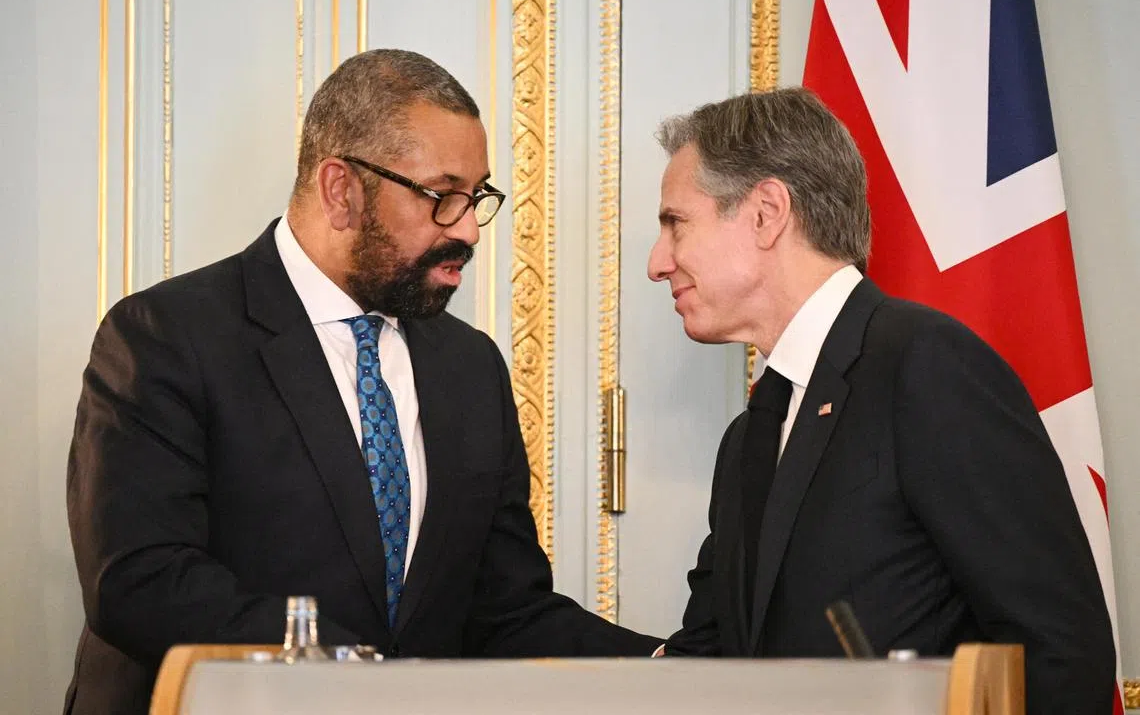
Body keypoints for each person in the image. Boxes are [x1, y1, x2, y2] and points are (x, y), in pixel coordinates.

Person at [65, 49, 660, 715]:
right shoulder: (166, 335)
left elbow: (504, 609)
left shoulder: (471, 368)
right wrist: (355, 675)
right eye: (443, 196)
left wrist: (667, 667)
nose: (467, 228)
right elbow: (142, 583)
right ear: (340, 189)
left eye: (478, 196)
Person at [647, 87, 1114, 713]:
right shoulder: (749, 436)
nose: (658, 262)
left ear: (765, 212)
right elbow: (712, 658)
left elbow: (1060, 654)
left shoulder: (928, 368)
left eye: (676, 224)